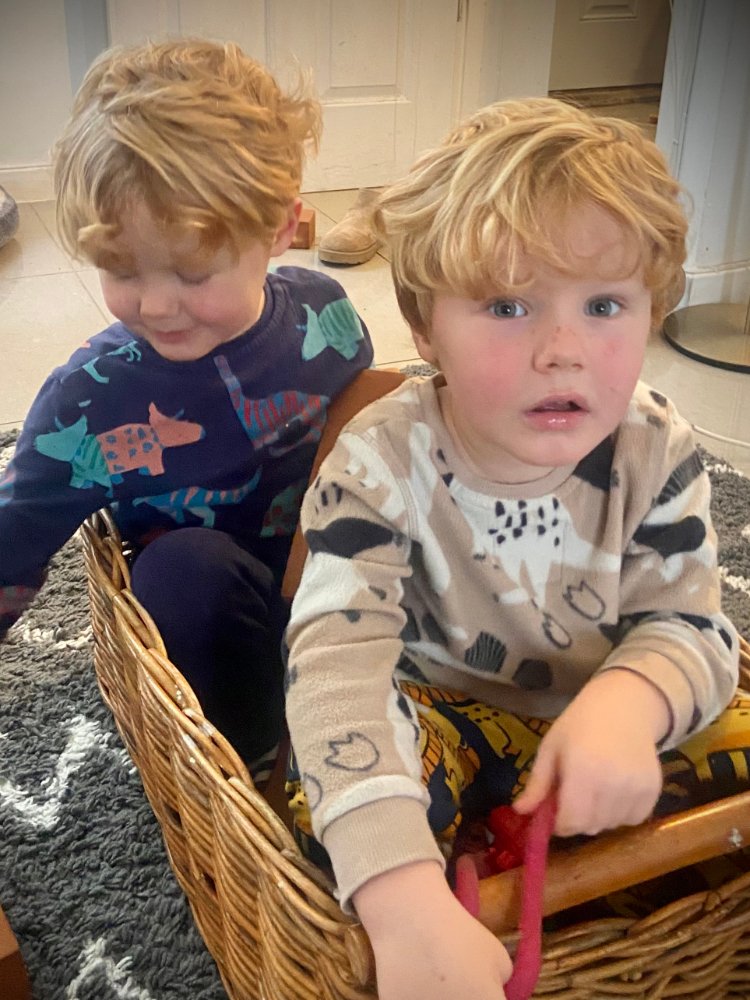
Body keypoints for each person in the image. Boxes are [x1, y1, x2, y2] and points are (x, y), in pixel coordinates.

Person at [283, 97, 744, 999]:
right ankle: (443, 892)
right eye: (507, 305)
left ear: (652, 311)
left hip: (599, 728)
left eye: (604, 305)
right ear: (425, 327)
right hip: (444, 717)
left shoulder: (656, 445)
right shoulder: (380, 458)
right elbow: (334, 664)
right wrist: (399, 896)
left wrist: (632, 702)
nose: (563, 351)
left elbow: (694, 627)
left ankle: (597, 867)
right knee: (331, 792)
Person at [0, 38, 373, 784]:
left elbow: (374, 426)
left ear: (281, 229)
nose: (157, 305)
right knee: (179, 571)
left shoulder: (325, 312)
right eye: (121, 270)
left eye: (193, 271)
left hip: (351, 600)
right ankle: (253, 762)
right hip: (225, 630)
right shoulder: (89, 397)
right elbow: (15, 535)